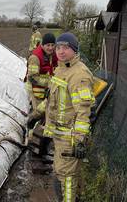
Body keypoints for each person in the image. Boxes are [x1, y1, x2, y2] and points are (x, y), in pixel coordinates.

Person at [44, 32, 95, 201]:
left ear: (74, 49)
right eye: (58, 47)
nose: (60, 51)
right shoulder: (61, 69)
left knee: (66, 178)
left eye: (65, 47)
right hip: (59, 135)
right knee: (63, 173)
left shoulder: (79, 75)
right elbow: (54, 101)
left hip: (70, 137)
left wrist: (79, 140)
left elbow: (83, 111)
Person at [26, 33, 58, 160]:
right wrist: (49, 82)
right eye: (48, 45)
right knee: (38, 113)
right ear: (43, 45)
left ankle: (40, 143)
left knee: (46, 116)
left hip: (47, 90)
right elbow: (32, 78)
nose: (50, 48)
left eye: (52, 45)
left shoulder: (52, 55)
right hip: (35, 90)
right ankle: (30, 139)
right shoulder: (35, 57)